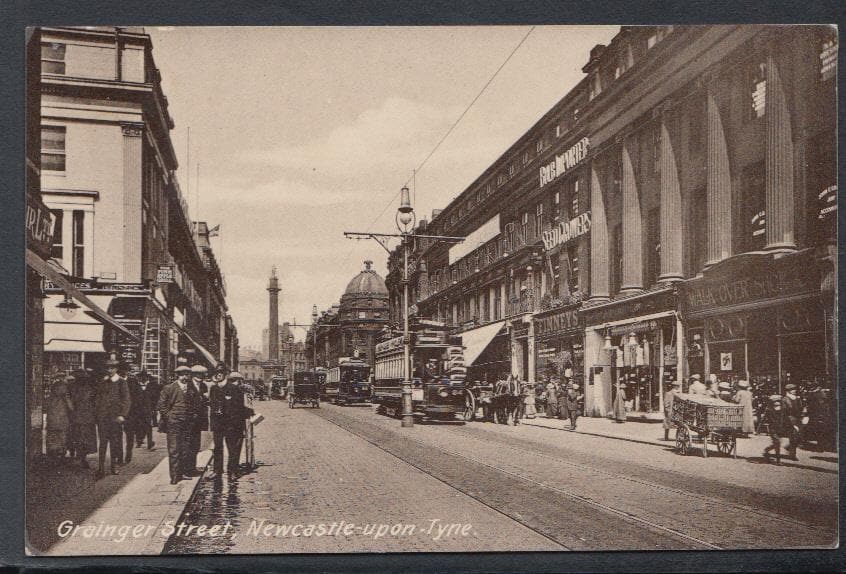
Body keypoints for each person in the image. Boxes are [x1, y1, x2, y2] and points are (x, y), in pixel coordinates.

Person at [157, 365, 199, 484]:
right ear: (178, 375)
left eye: (187, 375)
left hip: (187, 423)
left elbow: (196, 403)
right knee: (174, 450)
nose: (185, 377)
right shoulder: (169, 388)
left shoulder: (191, 389)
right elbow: (161, 405)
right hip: (174, 424)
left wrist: (193, 415)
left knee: (185, 449)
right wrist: (169, 417)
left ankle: (183, 473)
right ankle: (175, 476)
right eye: (182, 375)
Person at [208, 370, 252, 480]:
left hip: (230, 424)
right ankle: (217, 471)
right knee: (217, 448)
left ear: (225, 375)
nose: (218, 375)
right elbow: (212, 405)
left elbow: (239, 407)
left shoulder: (234, 389)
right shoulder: (213, 388)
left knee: (232, 449)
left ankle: (232, 471)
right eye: (216, 373)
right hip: (218, 424)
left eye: (220, 373)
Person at [94, 357, 130, 479]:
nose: (109, 370)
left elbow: (126, 400)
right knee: (102, 443)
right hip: (103, 418)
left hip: (115, 417)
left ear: (116, 369)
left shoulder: (121, 382)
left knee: (114, 443)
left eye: (112, 368)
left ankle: (114, 466)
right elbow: (98, 398)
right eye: (108, 368)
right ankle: (101, 468)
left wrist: (122, 415)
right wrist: (97, 414)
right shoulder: (103, 382)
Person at [69, 369, 97, 468]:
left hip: (78, 417)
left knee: (78, 437)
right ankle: (82, 458)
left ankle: (79, 456)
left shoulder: (73, 388)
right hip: (87, 417)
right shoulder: (90, 388)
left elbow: (72, 401)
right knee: (84, 438)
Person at [46, 373, 74, 462]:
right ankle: (61, 453)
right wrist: (73, 409)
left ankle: (53, 452)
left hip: (52, 415)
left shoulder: (53, 388)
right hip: (62, 415)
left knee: (53, 434)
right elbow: (69, 403)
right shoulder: (64, 388)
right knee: (62, 434)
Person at [188, 364, 210, 475]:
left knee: (196, 445)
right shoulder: (188, 385)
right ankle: (187, 469)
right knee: (188, 445)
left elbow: (205, 401)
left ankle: (193, 467)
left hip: (199, 421)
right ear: (192, 375)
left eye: (201, 374)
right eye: (197, 374)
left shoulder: (203, 386)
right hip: (189, 420)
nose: (199, 376)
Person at [128, 372, 155, 454]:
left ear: (147, 378)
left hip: (148, 410)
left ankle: (150, 443)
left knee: (148, 426)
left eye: (145, 377)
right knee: (138, 426)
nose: (143, 379)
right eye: (141, 377)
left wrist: (154, 408)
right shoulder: (135, 386)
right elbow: (132, 398)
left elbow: (154, 398)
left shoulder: (151, 386)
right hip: (137, 410)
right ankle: (139, 441)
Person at [763, 395, 787, 464]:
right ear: (772, 402)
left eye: (778, 401)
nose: (777, 403)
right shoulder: (769, 410)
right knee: (777, 442)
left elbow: (786, 419)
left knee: (777, 443)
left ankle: (767, 449)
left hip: (781, 429)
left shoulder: (783, 410)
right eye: (775, 401)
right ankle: (778, 460)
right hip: (773, 429)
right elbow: (765, 420)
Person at [782, 383, 802, 461]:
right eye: (792, 389)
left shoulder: (797, 398)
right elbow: (784, 411)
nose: (794, 391)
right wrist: (788, 421)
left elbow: (800, 408)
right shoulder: (785, 399)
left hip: (798, 419)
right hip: (790, 419)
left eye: (794, 389)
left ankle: (789, 448)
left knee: (799, 437)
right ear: (788, 391)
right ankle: (793, 455)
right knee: (793, 436)